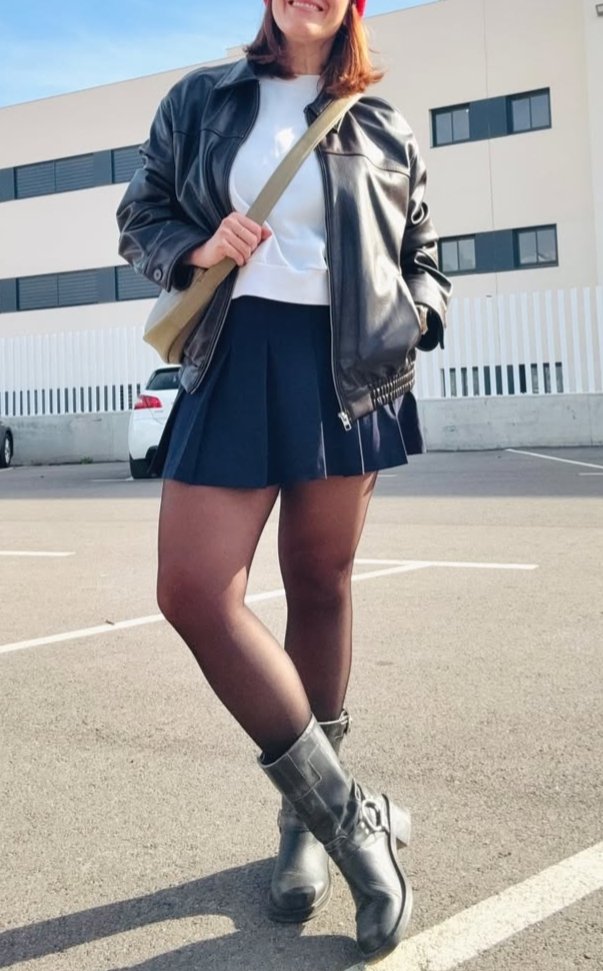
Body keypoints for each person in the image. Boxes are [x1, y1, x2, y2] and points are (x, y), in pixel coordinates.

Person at [117, 0, 451, 961]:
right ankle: (348, 816)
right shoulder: (204, 101)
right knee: (192, 590)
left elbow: (423, 257)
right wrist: (196, 247)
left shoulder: (383, 124)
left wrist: (412, 318)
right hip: (234, 352)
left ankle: (302, 823)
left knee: (319, 581)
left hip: (348, 368)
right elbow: (140, 213)